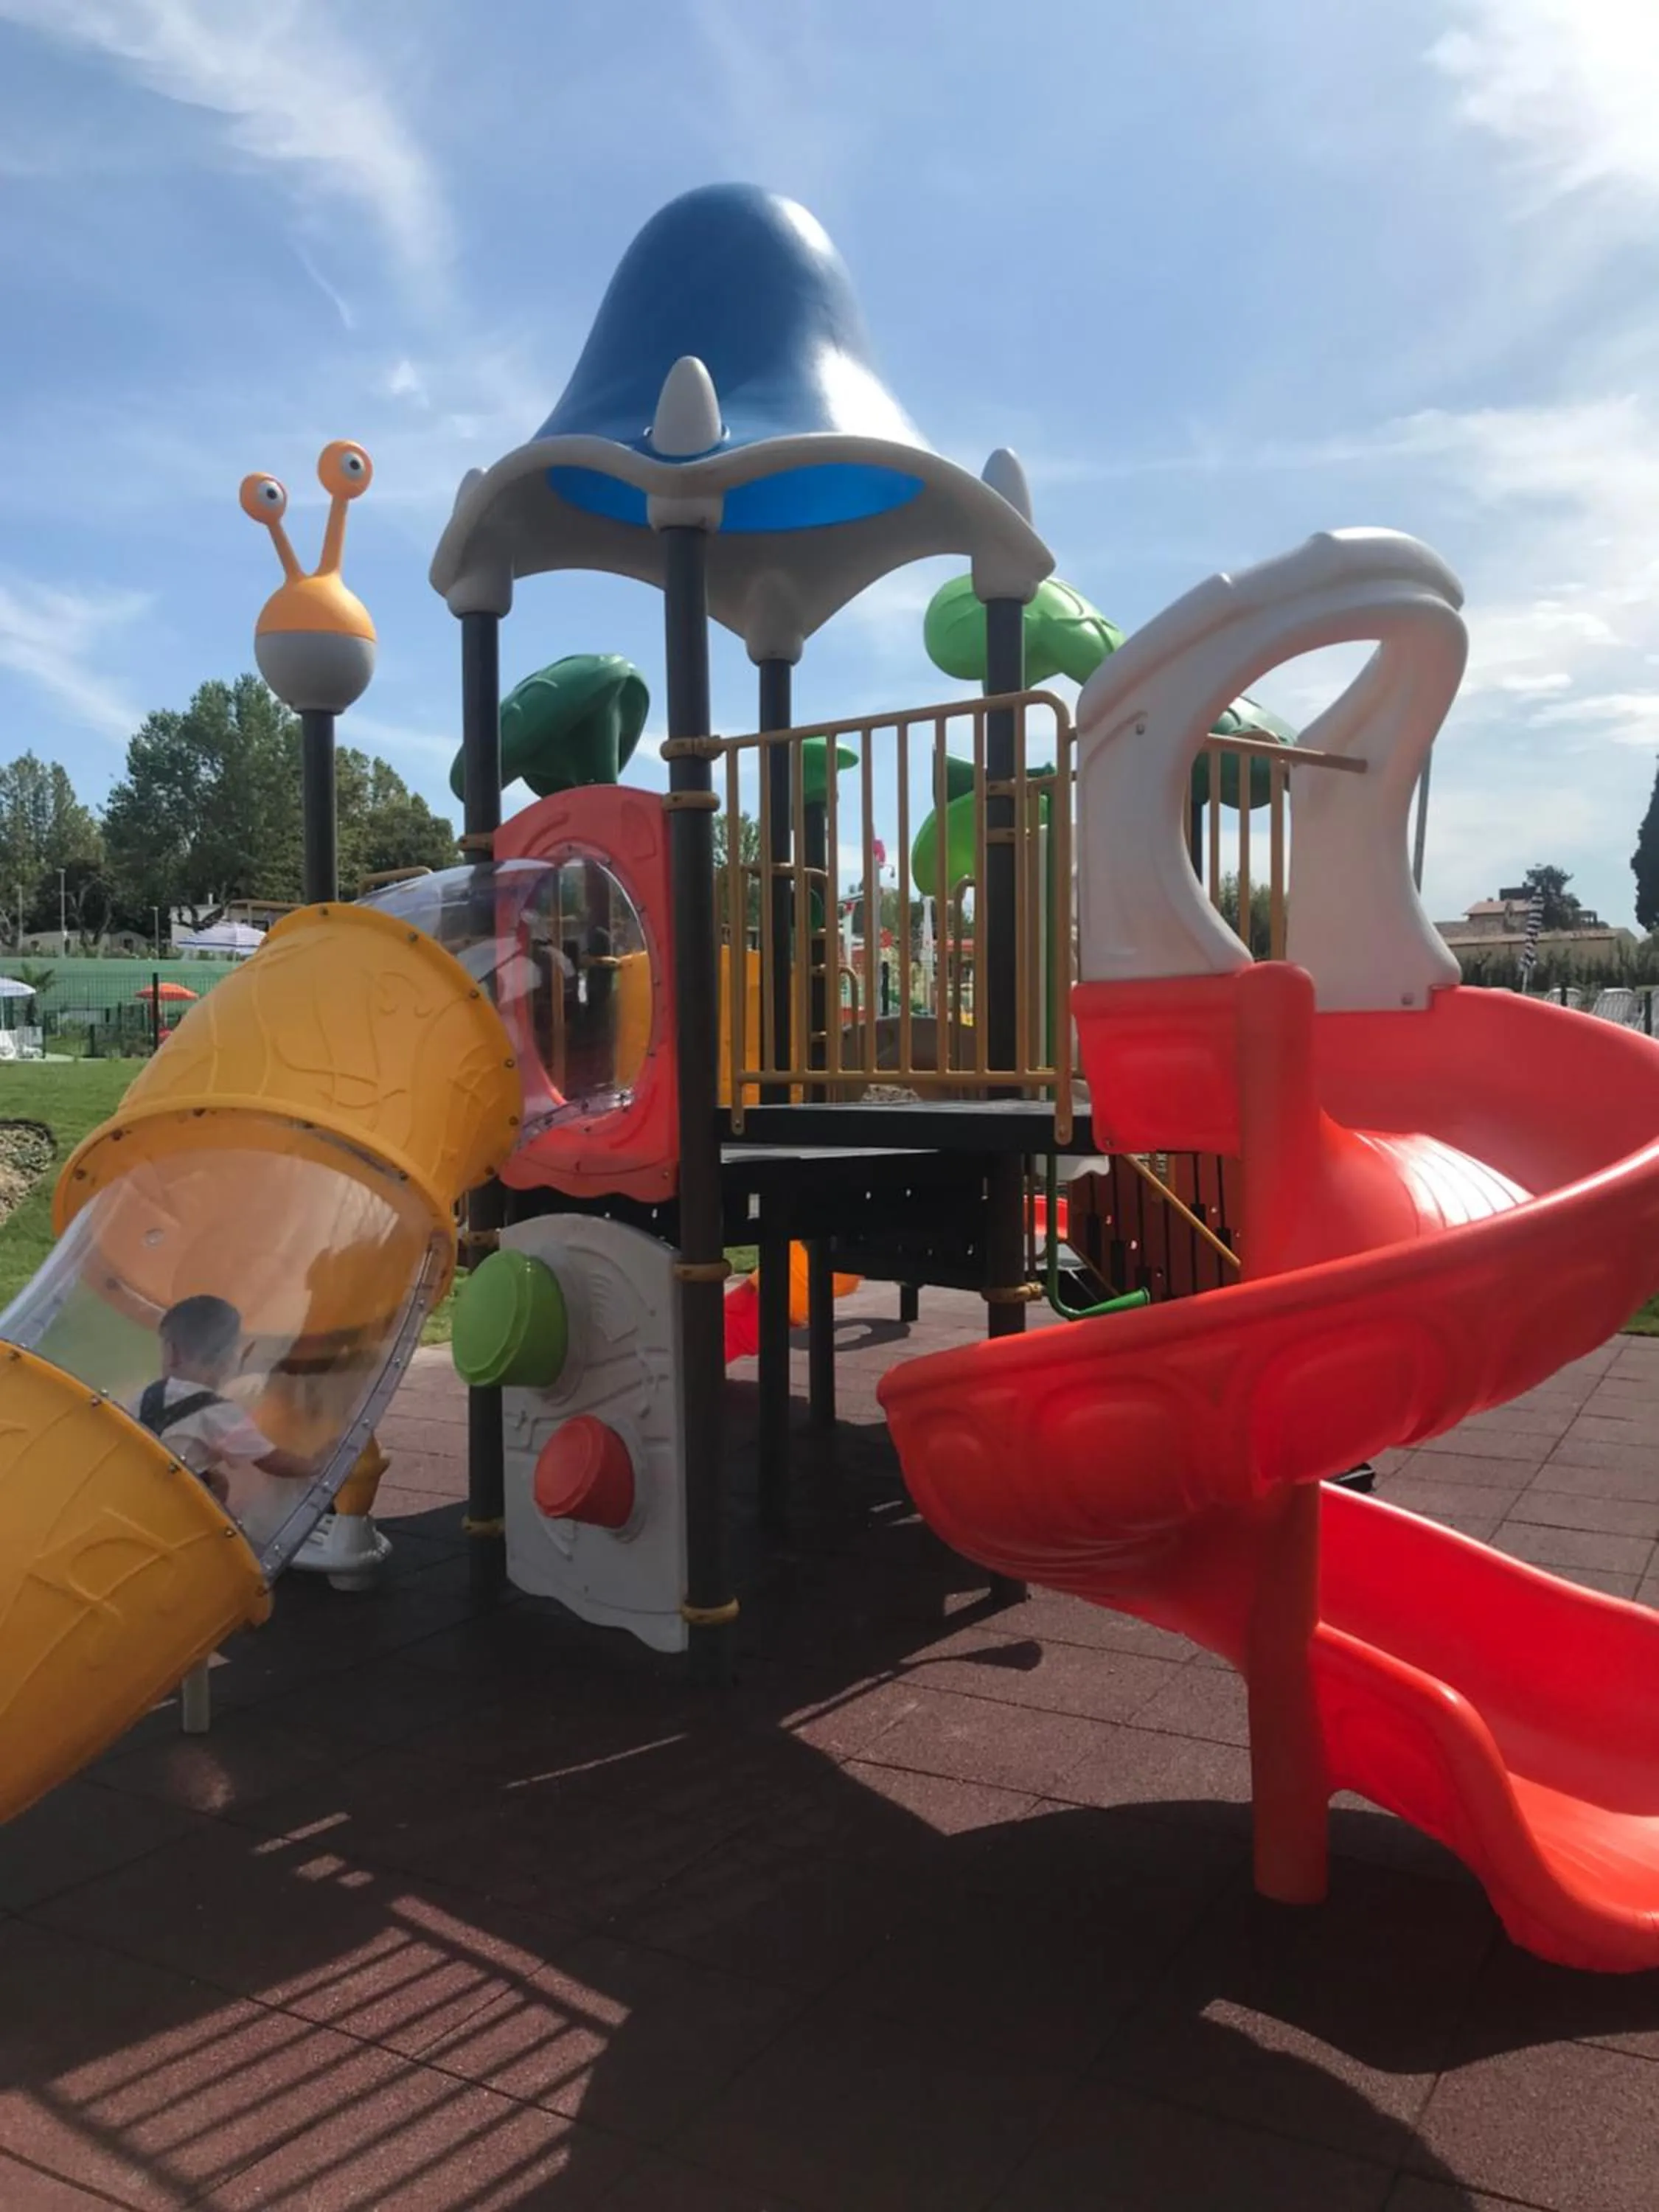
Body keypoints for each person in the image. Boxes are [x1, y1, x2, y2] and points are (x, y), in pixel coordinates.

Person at [134, 1295, 318, 1546]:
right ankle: (216, 1545)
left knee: (215, 1481)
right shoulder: (218, 1412)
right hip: (172, 1510)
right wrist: (315, 1467)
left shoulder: (146, 1394)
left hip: (135, 1494)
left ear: (171, 1353)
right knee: (214, 1486)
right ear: (229, 1359)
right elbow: (271, 1461)